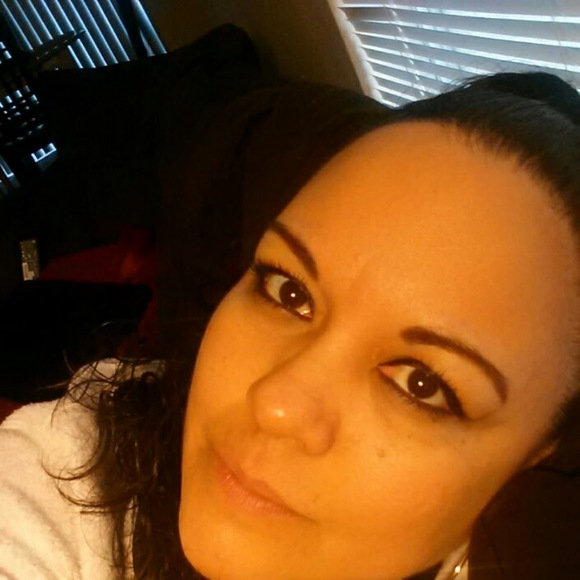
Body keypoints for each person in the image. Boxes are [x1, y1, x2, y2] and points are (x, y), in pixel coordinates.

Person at [1, 70, 580, 580]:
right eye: (289, 292)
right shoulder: (69, 469)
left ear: (534, 459)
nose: (275, 404)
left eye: (420, 384)